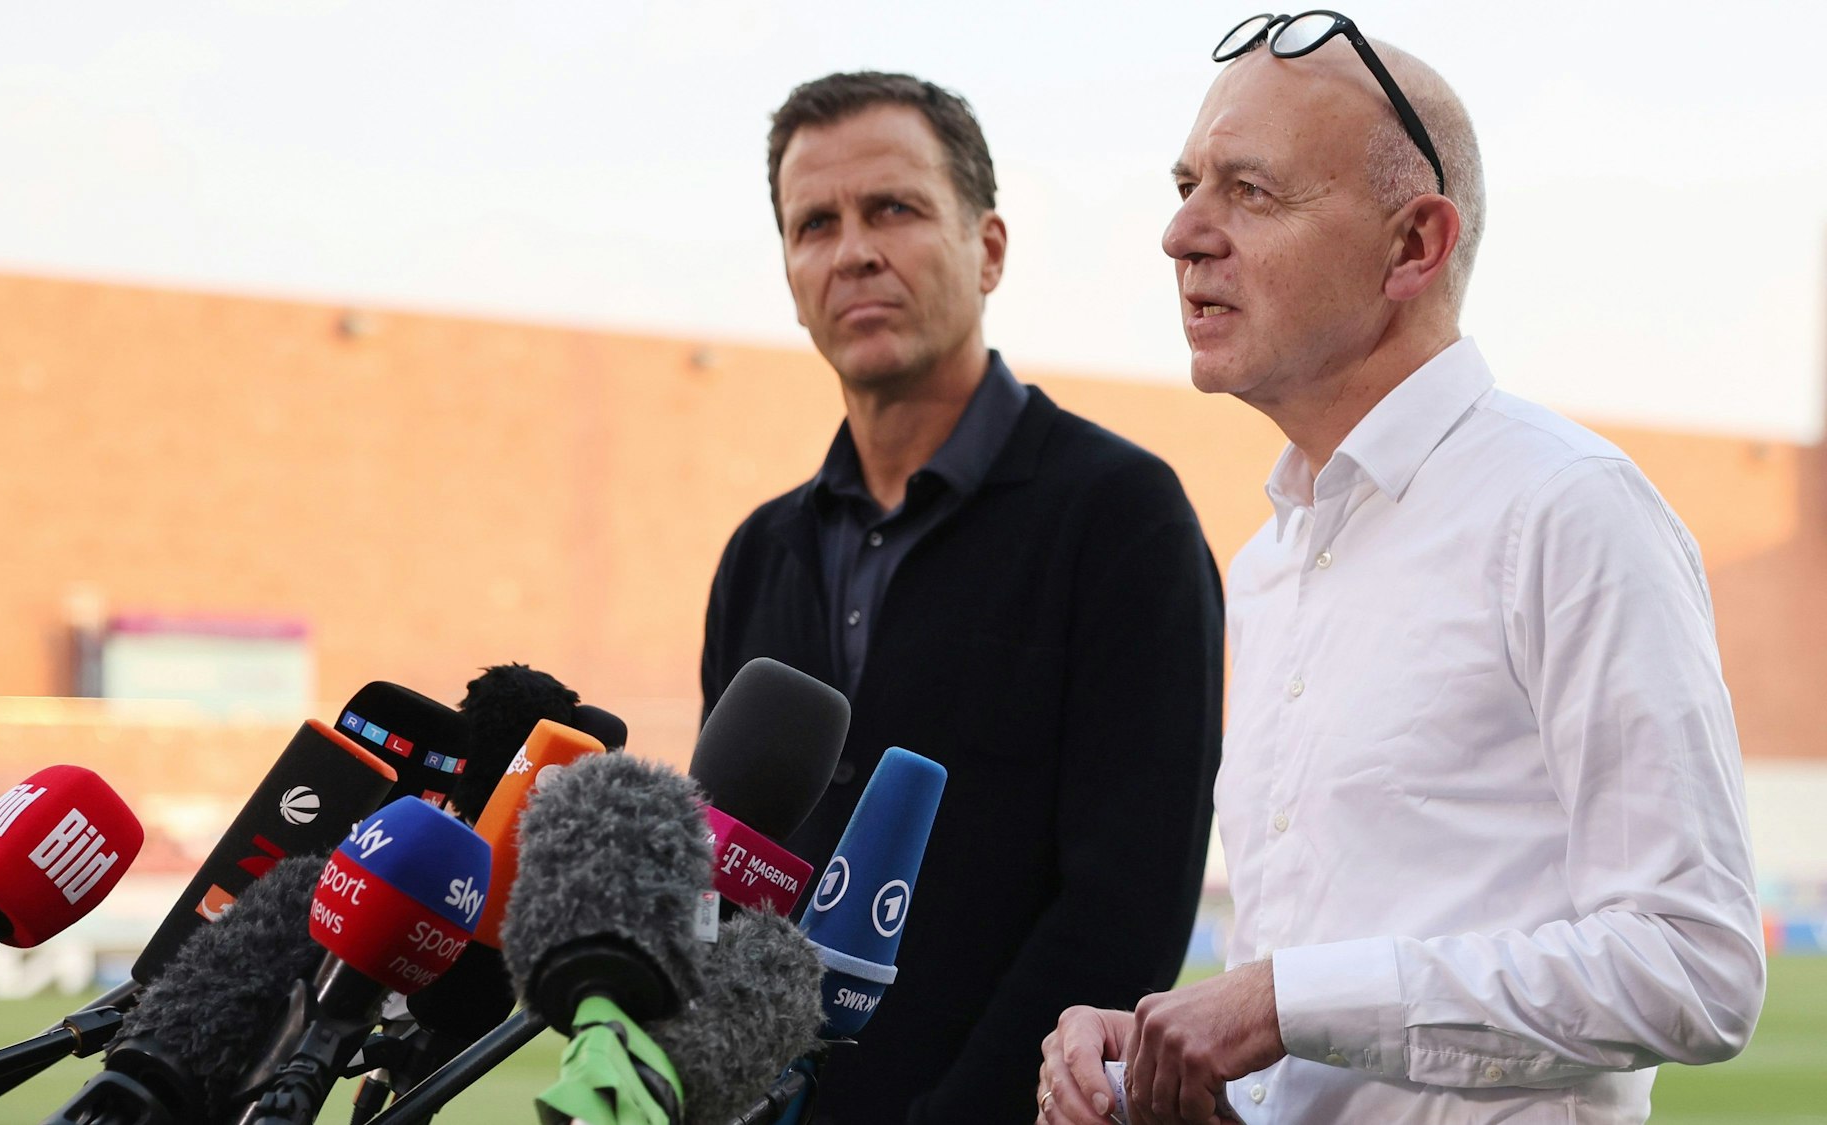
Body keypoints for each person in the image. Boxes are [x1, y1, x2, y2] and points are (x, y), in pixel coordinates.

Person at [1038, 15, 1764, 1125]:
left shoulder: (1567, 508)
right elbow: (1321, 1019)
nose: (1180, 233)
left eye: (1250, 191)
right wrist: (1164, 1058)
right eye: (1186, 185)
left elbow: (1694, 966)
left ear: (1413, 246)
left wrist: (1281, 1003)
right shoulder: (1269, 562)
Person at [701, 71, 1225, 1124]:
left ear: (986, 248)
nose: (852, 249)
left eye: (891, 209)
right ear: (790, 273)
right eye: (815, 224)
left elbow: (1124, 910)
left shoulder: (1121, 520)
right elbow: (726, 877)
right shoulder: (759, 554)